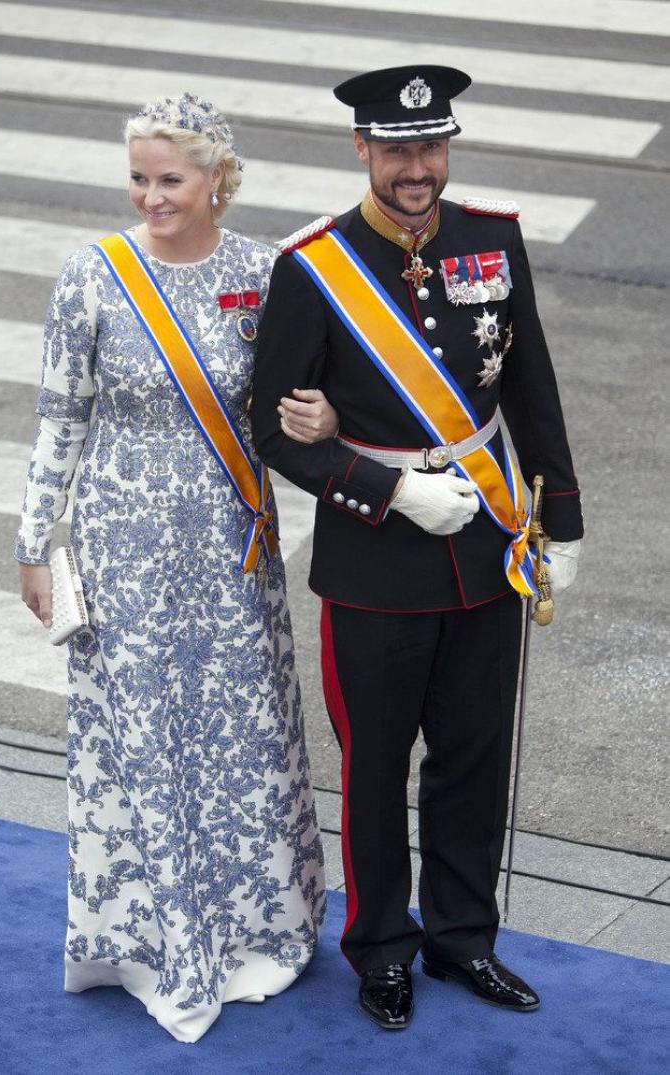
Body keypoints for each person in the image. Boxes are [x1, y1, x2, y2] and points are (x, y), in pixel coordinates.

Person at [251, 66, 583, 1030]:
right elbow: (271, 430)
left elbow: (532, 389)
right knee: (376, 760)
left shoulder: (492, 237)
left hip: (484, 548)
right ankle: (382, 946)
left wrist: (562, 518)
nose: (417, 169)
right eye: (397, 151)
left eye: (431, 148)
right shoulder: (313, 266)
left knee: (474, 753)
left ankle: (464, 938)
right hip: (375, 563)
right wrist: (388, 487)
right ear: (362, 149)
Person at [16, 92, 339, 1043]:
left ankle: (255, 931)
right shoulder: (93, 276)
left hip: (233, 546)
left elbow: (302, 401)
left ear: (216, 180)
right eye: (139, 177)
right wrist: (36, 544)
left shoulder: (266, 272)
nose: (151, 195)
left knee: (242, 737)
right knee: (144, 738)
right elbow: (58, 419)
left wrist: (322, 422)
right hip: (123, 551)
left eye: (171, 177)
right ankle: (156, 946)